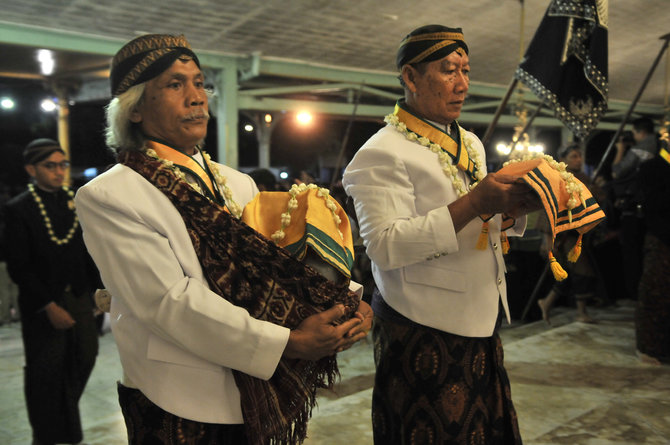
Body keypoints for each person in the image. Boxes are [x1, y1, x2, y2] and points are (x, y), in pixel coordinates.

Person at [74, 34, 372, 445]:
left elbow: (280, 264)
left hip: (253, 388)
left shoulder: (236, 182)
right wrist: (289, 343)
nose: (197, 97)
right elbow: (169, 303)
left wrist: (348, 301)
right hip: (178, 395)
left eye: (199, 82)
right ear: (136, 108)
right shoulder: (111, 195)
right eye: (175, 85)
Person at [342, 25, 541, 444]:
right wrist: (474, 203)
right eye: (449, 70)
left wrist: (512, 209)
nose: (463, 84)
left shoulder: (468, 142)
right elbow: (384, 245)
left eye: (466, 70)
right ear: (411, 77)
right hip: (423, 324)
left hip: (480, 314)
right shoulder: (380, 152)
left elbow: (478, 221)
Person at [3, 138, 100, 445]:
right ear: (32, 169)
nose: (59, 172)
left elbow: (89, 250)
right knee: (46, 371)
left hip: (79, 297)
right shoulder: (19, 209)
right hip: (44, 304)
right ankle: (48, 436)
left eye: (63, 164)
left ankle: (62, 425)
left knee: (85, 357)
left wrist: (97, 291)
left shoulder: (76, 201)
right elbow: (19, 266)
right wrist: (48, 305)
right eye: (50, 166)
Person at [537, 143, 600, 324]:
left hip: (578, 232)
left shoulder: (582, 177)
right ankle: (580, 312)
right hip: (563, 236)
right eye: (574, 156)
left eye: (579, 156)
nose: (578, 160)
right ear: (563, 159)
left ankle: (547, 302)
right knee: (582, 271)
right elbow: (548, 210)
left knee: (570, 274)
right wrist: (548, 240)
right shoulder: (558, 179)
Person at [611, 117, 658, 301]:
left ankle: (635, 292)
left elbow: (618, 171)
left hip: (635, 209)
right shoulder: (662, 147)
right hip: (654, 209)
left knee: (632, 254)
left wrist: (621, 150)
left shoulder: (639, 150)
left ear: (640, 132)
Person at [635, 141, 670, 364]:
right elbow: (649, 203)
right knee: (656, 293)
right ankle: (650, 348)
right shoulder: (653, 167)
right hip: (662, 238)